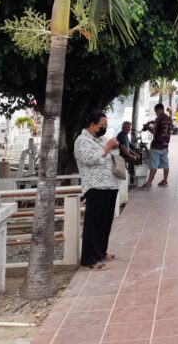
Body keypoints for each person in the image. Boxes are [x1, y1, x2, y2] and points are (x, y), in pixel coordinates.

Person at [74, 110, 121, 270]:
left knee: (105, 222)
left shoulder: (100, 139)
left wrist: (114, 146)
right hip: (95, 186)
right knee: (94, 224)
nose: (104, 128)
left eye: (106, 125)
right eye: (102, 125)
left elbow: (113, 155)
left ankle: (100, 252)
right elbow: (89, 159)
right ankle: (89, 259)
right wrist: (107, 147)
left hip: (110, 185)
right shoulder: (82, 141)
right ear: (92, 125)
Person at [141, 103, 173, 188]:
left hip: (156, 146)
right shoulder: (169, 119)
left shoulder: (159, 118)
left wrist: (148, 127)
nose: (156, 113)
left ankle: (149, 183)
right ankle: (165, 180)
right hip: (165, 145)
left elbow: (154, 132)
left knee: (153, 165)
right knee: (166, 164)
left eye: (156, 111)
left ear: (159, 110)